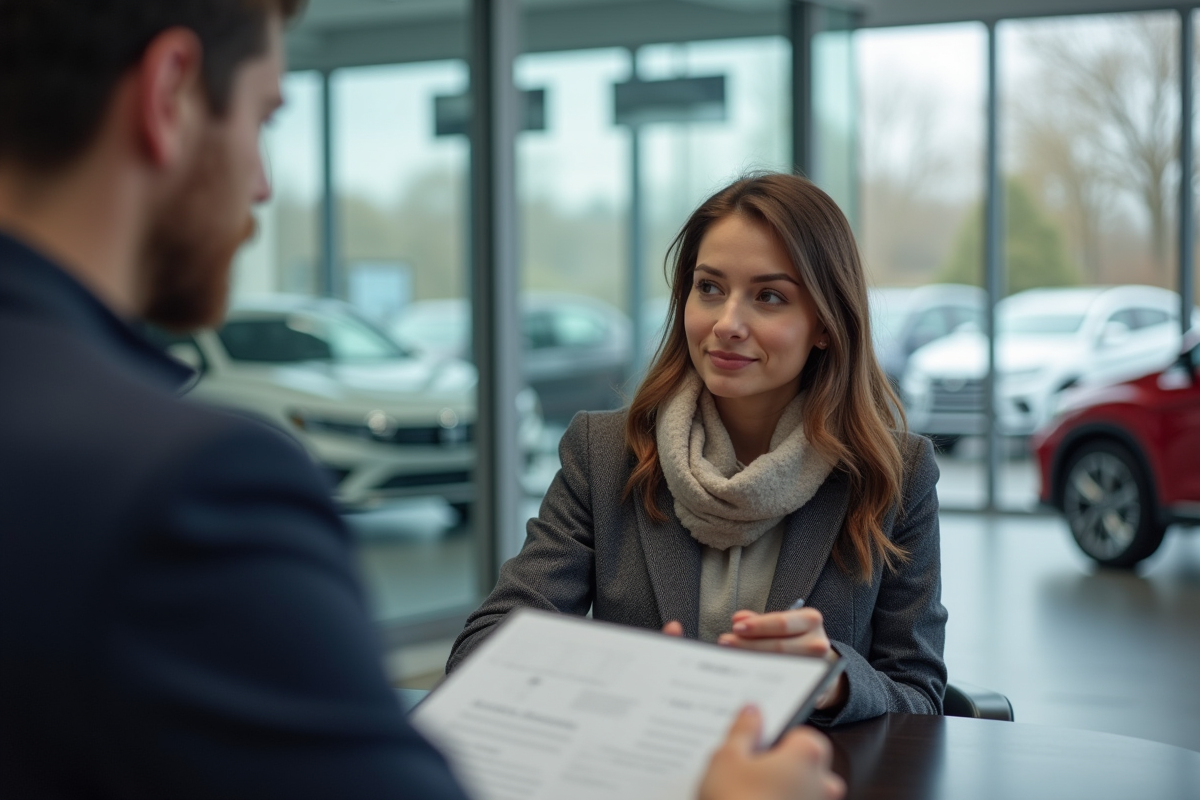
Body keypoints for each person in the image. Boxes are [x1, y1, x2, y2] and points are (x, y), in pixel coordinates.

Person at [0, 1, 843, 798]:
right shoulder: (194, 485)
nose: (261, 184)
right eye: (264, 118)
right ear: (171, 94)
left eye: (769, 297)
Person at [450, 173, 948, 727]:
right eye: (709, 288)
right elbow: (483, 650)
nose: (727, 324)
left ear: (825, 325)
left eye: (770, 297)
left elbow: (920, 698)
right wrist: (620, 673)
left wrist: (833, 678)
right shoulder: (604, 453)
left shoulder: (894, 475)